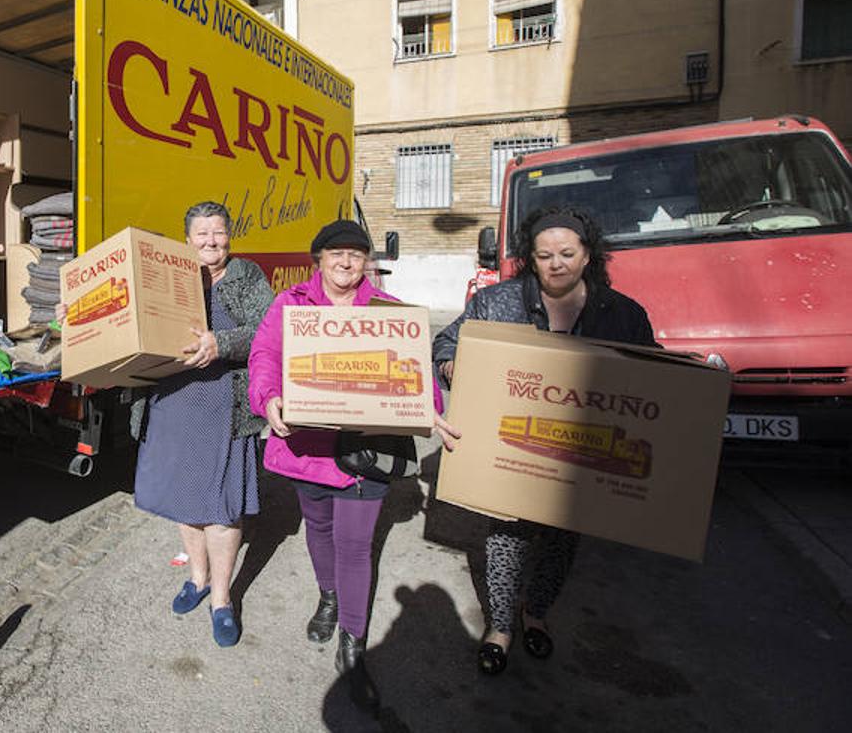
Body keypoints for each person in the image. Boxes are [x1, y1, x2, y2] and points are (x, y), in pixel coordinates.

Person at [432, 205, 658, 676]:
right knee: (506, 537)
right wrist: (452, 362)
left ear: (588, 254)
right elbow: (447, 342)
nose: (556, 263)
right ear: (530, 258)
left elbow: (650, 375)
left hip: (582, 454)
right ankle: (499, 626)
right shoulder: (496, 302)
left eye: (567, 253)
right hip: (512, 448)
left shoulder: (621, 314)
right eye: (544, 255)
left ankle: (536, 613)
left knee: (560, 539)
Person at [248, 219, 459, 713]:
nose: (346, 262)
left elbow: (413, 366)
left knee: (354, 545)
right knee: (318, 529)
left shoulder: (388, 310)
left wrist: (430, 408)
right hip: (307, 446)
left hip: (367, 452)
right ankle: (328, 596)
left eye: (356, 254)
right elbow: (265, 354)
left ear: (368, 262)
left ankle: (353, 638)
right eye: (336, 254)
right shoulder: (291, 305)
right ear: (317, 259)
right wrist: (269, 397)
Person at [128, 201, 274, 647]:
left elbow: (268, 329)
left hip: (222, 404)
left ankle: (223, 600)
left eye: (219, 232)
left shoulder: (246, 276)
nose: (211, 241)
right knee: (185, 498)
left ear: (229, 236)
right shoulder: (169, 274)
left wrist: (222, 342)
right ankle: (197, 579)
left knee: (222, 506)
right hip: (174, 401)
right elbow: (128, 315)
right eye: (202, 234)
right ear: (187, 239)